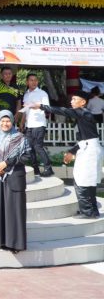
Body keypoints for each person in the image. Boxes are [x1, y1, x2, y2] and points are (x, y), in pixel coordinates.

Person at [33, 91, 104, 219]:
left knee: (82, 180)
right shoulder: (84, 114)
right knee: (87, 181)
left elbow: (63, 111)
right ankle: (91, 210)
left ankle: (88, 211)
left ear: (83, 102)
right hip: (89, 148)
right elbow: (85, 139)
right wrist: (72, 151)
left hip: (89, 151)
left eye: (74, 99)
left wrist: (41, 106)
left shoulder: (82, 112)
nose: (71, 101)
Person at [0, 110, 30, 253]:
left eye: (8, 121)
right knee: (0, 208)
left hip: (14, 177)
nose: (5, 123)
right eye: (2, 120)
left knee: (15, 211)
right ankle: (0, 240)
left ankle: (15, 244)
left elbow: (27, 157)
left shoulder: (20, 137)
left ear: (12, 121)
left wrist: (6, 163)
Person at [21, 73, 53, 177]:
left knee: (38, 147)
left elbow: (46, 107)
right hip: (28, 125)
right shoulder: (26, 94)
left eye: (35, 80)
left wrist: (32, 106)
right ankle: (36, 169)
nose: (34, 82)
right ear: (27, 82)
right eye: (31, 80)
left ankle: (48, 168)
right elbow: (25, 111)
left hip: (39, 124)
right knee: (29, 148)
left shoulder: (42, 93)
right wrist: (22, 123)